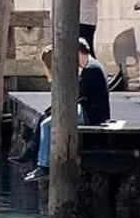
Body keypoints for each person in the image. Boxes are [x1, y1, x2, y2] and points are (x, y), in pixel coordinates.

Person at [28, 40, 112, 181]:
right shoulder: (92, 66)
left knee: (46, 124)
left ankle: (44, 166)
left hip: (91, 115)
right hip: (90, 110)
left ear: (77, 52)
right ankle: (36, 159)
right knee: (47, 117)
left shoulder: (91, 70)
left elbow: (79, 97)